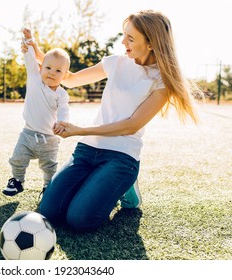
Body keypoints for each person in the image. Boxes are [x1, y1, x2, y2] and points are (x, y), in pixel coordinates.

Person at [23, 10, 201, 231]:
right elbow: (69, 79)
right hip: (87, 151)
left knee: (79, 220)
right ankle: (99, 183)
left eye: (131, 38)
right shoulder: (115, 62)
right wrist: (36, 52)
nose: (123, 41)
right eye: (123, 35)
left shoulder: (161, 82)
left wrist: (80, 130)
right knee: (49, 211)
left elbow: (131, 125)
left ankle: (127, 187)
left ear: (151, 43)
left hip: (121, 157)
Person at [3, 28, 70, 196]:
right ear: (40, 68)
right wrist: (29, 40)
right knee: (17, 159)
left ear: (65, 75)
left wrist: (62, 123)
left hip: (49, 138)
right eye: (47, 67)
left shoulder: (61, 94)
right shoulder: (34, 78)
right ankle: (17, 181)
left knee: (49, 166)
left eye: (58, 71)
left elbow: (64, 110)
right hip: (27, 133)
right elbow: (29, 57)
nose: (51, 73)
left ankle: (49, 186)